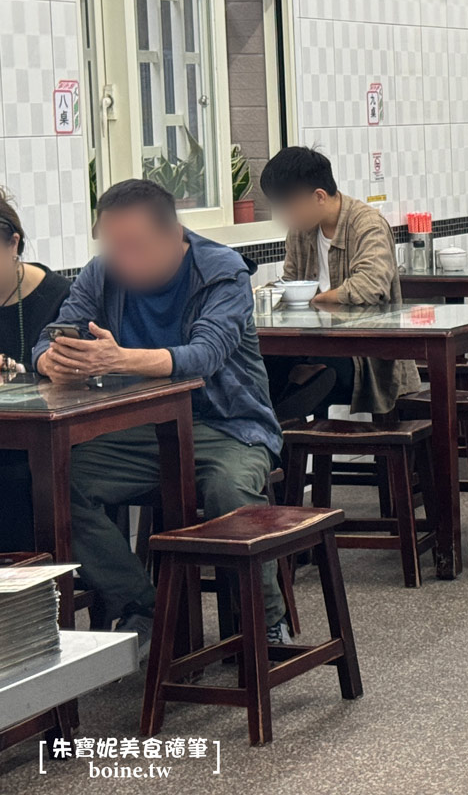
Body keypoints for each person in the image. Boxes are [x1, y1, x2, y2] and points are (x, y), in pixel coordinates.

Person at [31, 180, 288, 649]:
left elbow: (203, 356)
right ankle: (146, 606)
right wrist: (52, 360)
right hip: (142, 431)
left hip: (228, 428)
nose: (123, 259)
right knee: (55, 482)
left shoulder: (221, 273)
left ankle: (265, 620)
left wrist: (116, 359)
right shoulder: (102, 273)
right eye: (113, 247)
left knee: (228, 489)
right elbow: (51, 334)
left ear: (173, 235)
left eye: (135, 247)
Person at [259, 146, 418, 417]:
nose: (287, 217)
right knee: (262, 363)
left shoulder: (366, 224)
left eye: (289, 207)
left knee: (314, 372)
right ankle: (277, 434)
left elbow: (370, 287)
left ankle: (288, 410)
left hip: (364, 356)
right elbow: (289, 281)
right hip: (313, 345)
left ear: (318, 196)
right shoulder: (301, 232)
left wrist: (314, 299)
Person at [0, 190, 72, 552]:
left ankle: (25, 594)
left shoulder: (60, 298)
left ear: (13, 243)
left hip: (44, 445)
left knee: (12, 478)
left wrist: (21, 370)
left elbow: (75, 379)